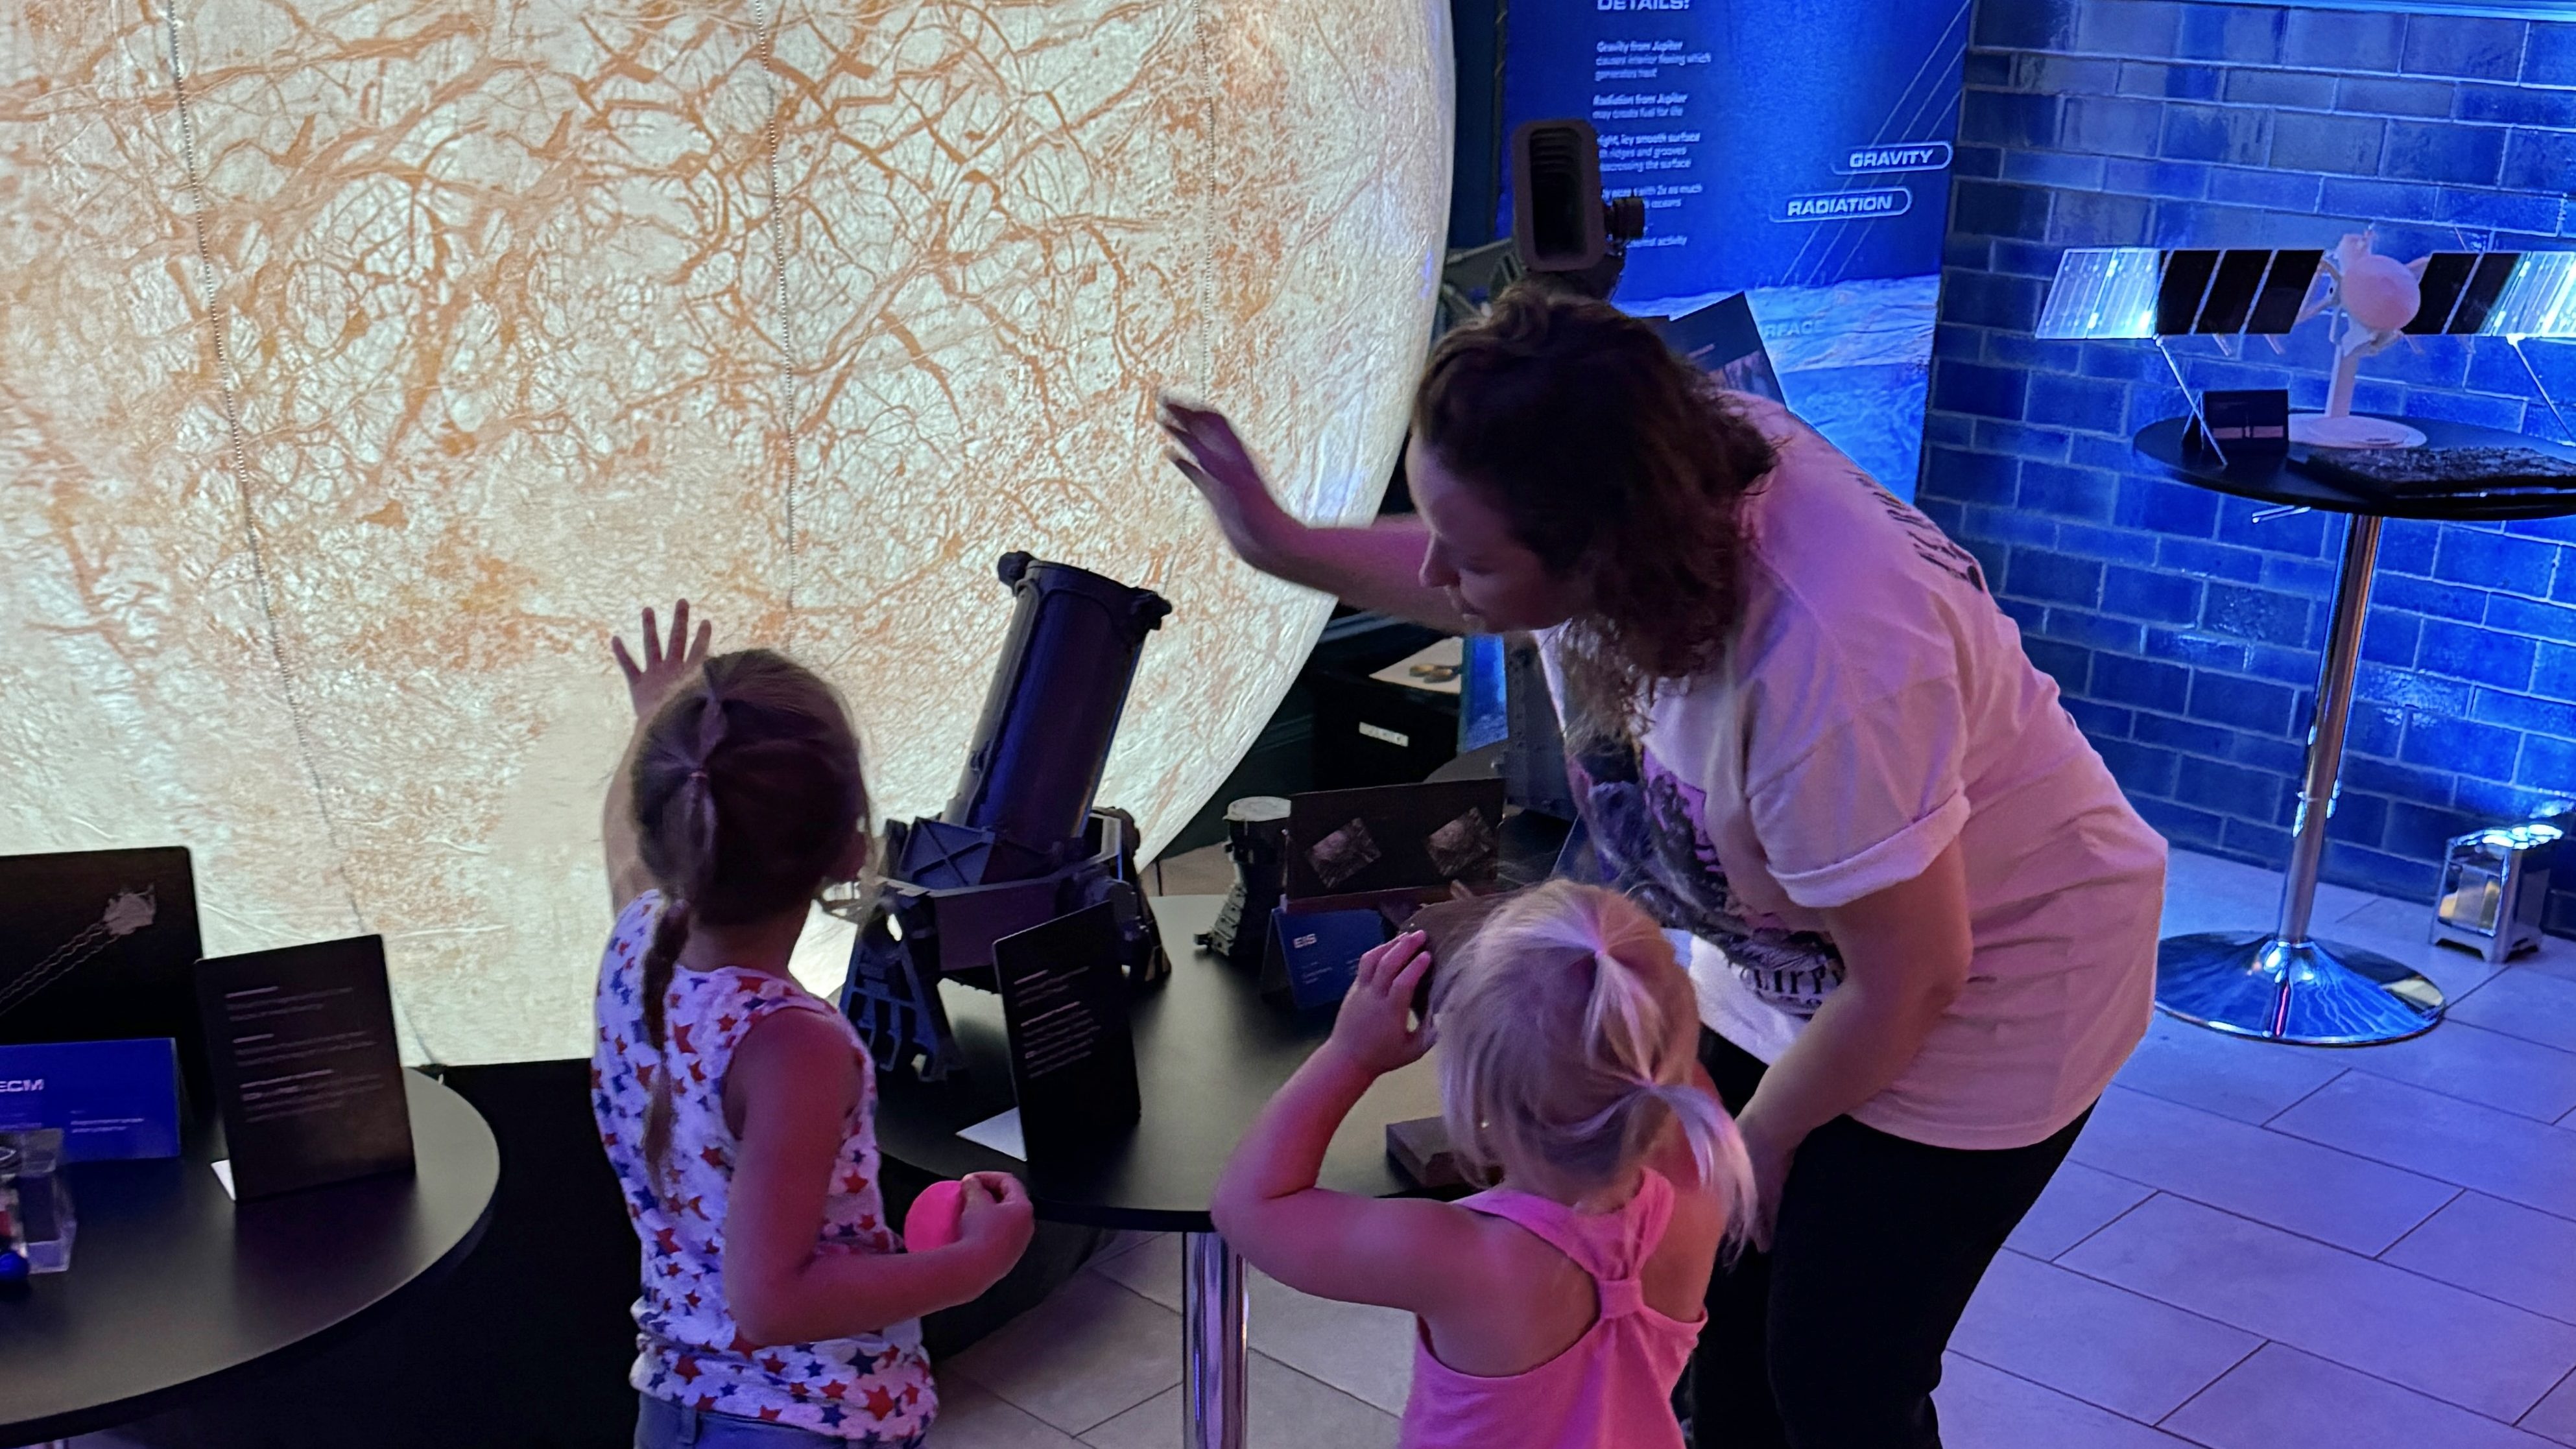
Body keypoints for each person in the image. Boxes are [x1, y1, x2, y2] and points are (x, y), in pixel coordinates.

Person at [1165, 284, 2164, 1448]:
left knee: (1837, 1371)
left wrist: (1759, 1145)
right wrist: (1282, 542)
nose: (1436, 574)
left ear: (1604, 554)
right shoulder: (1629, 486)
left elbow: (1914, 978)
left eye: (1470, 558)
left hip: (1992, 985)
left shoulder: (1831, 667)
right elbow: (1475, 559)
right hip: (1810, 951)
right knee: (1729, 1334)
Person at [593, 601, 1036, 1449]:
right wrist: (976, 1261)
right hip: (798, 1422)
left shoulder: (636, 939)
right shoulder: (794, 1045)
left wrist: (657, 720)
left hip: (676, 1404)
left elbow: (619, 846)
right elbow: (772, 1301)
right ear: (850, 850)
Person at [1211, 882, 1749, 1449]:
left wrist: (1349, 1055)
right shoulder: (1704, 1177)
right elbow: (1657, 1050)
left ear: (1478, 1096)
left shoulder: (1466, 1257)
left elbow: (1249, 1205)